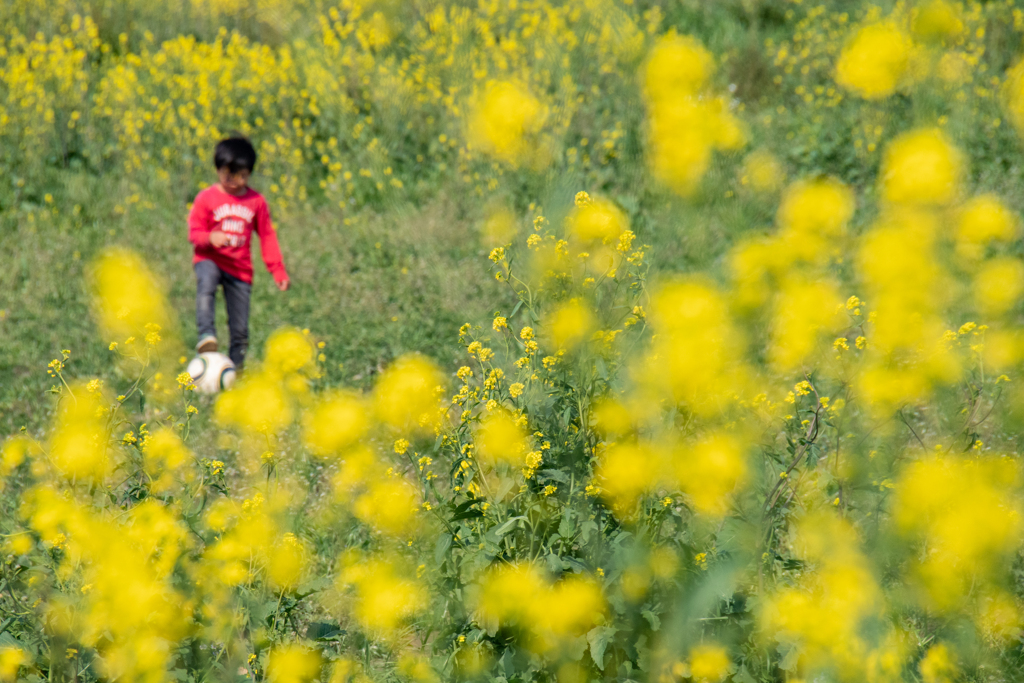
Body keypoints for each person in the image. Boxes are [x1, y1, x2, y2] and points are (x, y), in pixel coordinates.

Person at [188, 136, 290, 370]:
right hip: (210, 258)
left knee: (241, 330)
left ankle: (236, 374)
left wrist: (278, 270)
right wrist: (209, 238)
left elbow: (267, 236)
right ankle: (206, 336)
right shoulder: (206, 198)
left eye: (242, 175)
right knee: (206, 284)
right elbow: (194, 233)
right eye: (228, 175)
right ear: (218, 169)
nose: (235, 181)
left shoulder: (256, 202)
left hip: (240, 269)